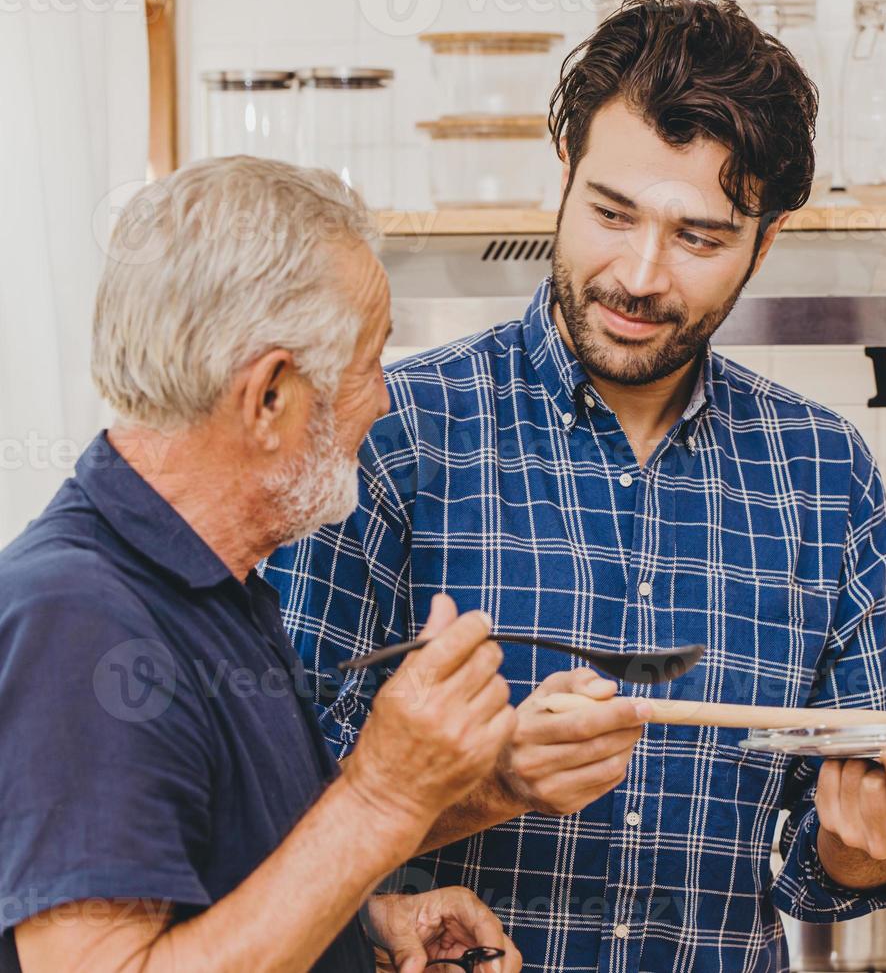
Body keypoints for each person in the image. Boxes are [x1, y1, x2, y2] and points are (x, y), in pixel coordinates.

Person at [265, 0, 886, 970]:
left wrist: (863, 848)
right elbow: (270, 816)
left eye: (700, 237)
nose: (640, 275)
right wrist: (487, 783)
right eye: (611, 213)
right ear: (563, 175)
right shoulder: (392, 435)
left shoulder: (821, 471)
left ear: (763, 245)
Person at [0, 158, 521, 973]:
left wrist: (367, 924)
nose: (384, 401)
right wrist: (383, 796)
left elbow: (209, 893)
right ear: (270, 396)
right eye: (370, 364)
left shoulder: (217, 590)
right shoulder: (78, 617)